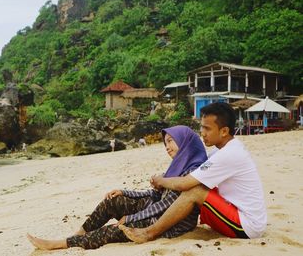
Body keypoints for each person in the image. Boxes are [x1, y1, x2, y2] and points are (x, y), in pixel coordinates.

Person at [26, 125, 207, 250]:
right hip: (155, 211)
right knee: (113, 200)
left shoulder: (192, 171)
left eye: (171, 141)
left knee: (114, 229)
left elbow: (166, 205)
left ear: (184, 142)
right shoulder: (178, 165)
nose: (167, 147)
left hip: (169, 225)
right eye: (165, 142)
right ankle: (78, 236)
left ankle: (58, 244)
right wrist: (124, 192)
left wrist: (131, 217)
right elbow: (155, 195)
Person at [119, 102, 267, 243]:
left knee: (195, 190)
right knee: (198, 185)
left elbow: (185, 183)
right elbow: (195, 171)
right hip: (235, 212)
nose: (202, 133)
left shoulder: (229, 154)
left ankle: (149, 233)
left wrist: (161, 180)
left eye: (207, 129)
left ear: (224, 131)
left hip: (248, 226)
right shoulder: (221, 150)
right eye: (201, 127)